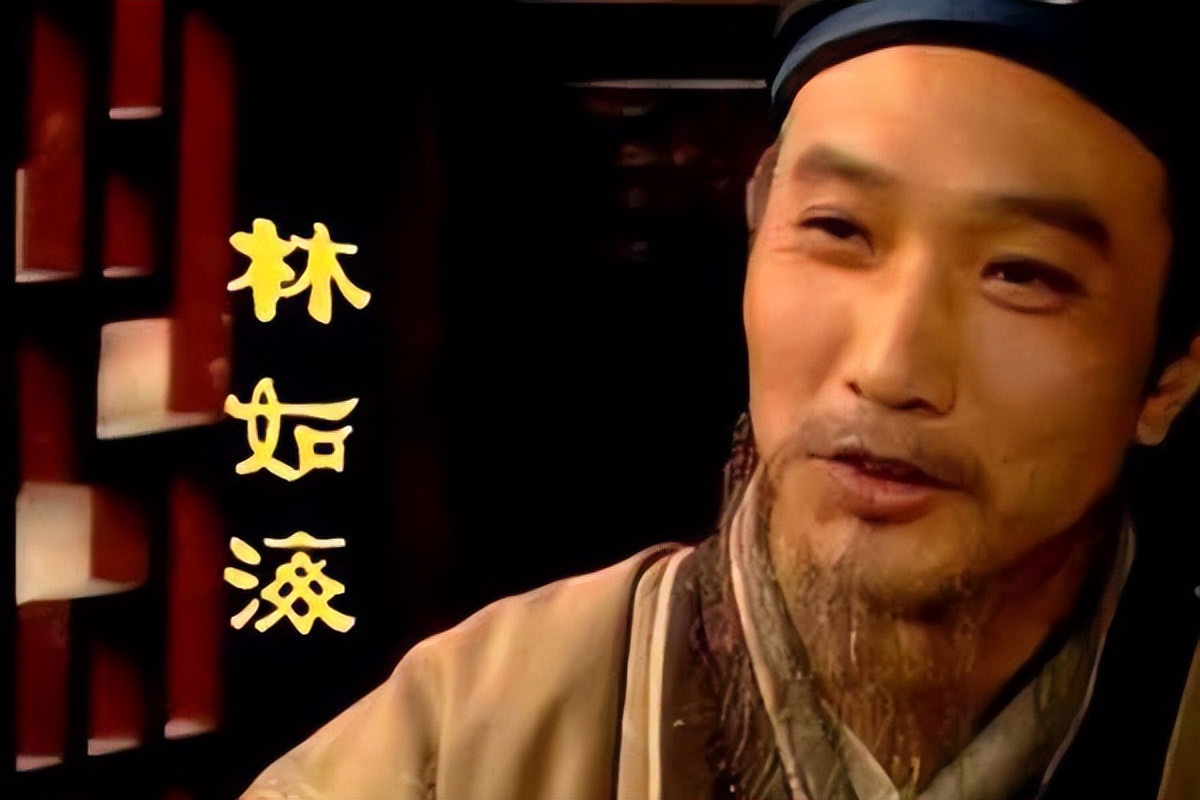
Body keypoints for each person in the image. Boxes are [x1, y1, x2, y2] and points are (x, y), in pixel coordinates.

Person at [242, 2, 1200, 798]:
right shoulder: (459, 746)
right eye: (837, 229)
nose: (890, 367)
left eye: (1021, 274)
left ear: (1170, 375)